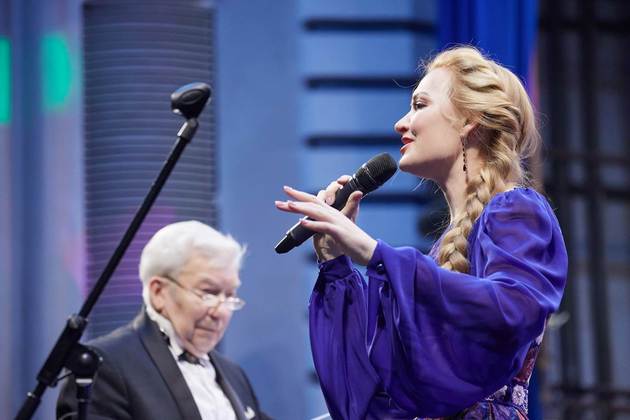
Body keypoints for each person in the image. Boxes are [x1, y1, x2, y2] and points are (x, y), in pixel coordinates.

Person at [275, 46, 567, 419]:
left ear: (469, 121)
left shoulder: (517, 210)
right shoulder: (441, 254)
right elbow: (367, 404)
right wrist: (336, 263)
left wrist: (375, 253)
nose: (401, 123)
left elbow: (512, 309)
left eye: (419, 105)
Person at [57, 220, 270, 420]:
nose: (220, 311)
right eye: (208, 293)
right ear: (159, 292)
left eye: (230, 296)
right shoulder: (104, 366)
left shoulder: (235, 375)